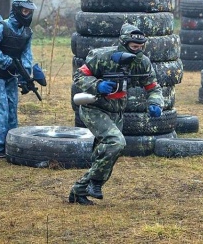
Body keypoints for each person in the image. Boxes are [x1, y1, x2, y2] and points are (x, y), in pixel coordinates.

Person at [69, 23, 164, 205]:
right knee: (116, 142)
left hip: (116, 111)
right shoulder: (102, 56)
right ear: (124, 43)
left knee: (105, 154)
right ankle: (93, 183)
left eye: (140, 47)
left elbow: (153, 87)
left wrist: (155, 103)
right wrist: (97, 85)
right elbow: (79, 76)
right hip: (94, 107)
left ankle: (79, 191)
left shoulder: (142, 63)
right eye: (134, 47)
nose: (137, 51)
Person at [0, 0, 37, 158]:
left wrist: (26, 78)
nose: (27, 14)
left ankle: (12, 143)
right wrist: (6, 62)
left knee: (12, 109)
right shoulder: (1, 27)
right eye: (25, 11)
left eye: (29, 11)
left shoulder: (27, 32)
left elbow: (26, 55)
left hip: (11, 76)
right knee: (0, 109)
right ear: (17, 10)